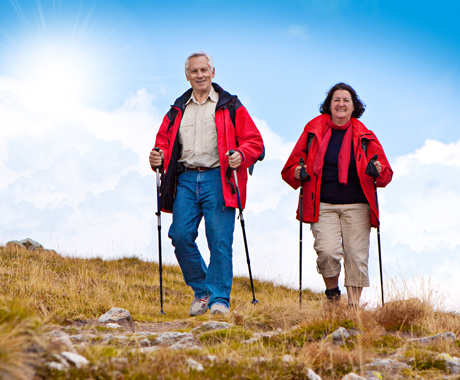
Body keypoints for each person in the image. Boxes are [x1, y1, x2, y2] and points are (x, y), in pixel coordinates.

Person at [149, 52, 264, 315]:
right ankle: (202, 291)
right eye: (194, 71)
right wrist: (158, 155)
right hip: (186, 179)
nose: (199, 75)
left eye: (204, 70)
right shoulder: (177, 109)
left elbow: (255, 142)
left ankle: (219, 301)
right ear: (187, 76)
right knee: (179, 235)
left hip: (219, 178)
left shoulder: (230, 105)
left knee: (219, 241)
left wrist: (241, 155)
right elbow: (163, 143)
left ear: (213, 72)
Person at [281, 83, 393, 307]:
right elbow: (290, 169)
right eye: (336, 100)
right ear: (329, 105)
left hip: (358, 205)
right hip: (322, 204)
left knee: (357, 257)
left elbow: (386, 175)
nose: (341, 104)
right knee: (327, 252)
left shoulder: (365, 136)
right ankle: (333, 295)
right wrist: (297, 172)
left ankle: (353, 309)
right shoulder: (313, 131)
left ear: (354, 107)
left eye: (346, 100)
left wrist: (377, 170)